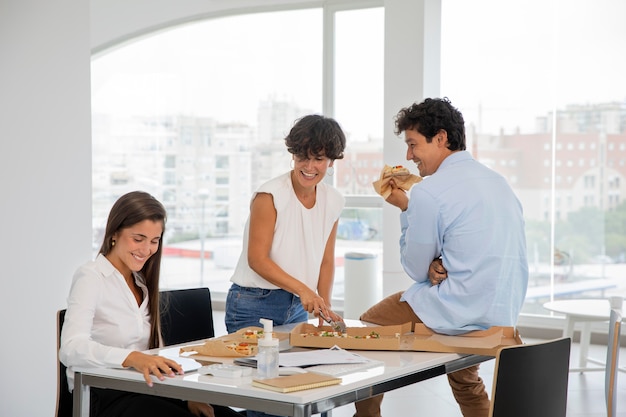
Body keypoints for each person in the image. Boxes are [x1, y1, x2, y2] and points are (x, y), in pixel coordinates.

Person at [354, 98, 529, 417]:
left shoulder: (429, 192)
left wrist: (407, 208)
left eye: (412, 144)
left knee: (368, 326)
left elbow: (414, 269)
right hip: (501, 312)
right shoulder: (499, 183)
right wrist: (441, 260)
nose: (408, 155)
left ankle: (366, 416)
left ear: (441, 138)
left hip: (460, 310)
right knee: (465, 376)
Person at [60, 191, 241, 417]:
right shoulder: (91, 276)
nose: (146, 250)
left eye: (154, 241)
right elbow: (71, 348)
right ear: (115, 233)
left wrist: (186, 396)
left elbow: (156, 356)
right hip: (103, 394)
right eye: (138, 239)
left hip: (146, 389)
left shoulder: (141, 284)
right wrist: (132, 358)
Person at [225, 114, 346, 417]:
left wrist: (324, 304)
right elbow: (257, 259)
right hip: (253, 304)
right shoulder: (270, 195)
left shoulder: (333, 200)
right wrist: (306, 290)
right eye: (301, 156)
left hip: (296, 305)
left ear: (331, 160)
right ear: (292, 154)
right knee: (266, 403)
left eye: (318, 158)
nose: (309, 166)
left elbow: (326, 259)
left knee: (296, 395)